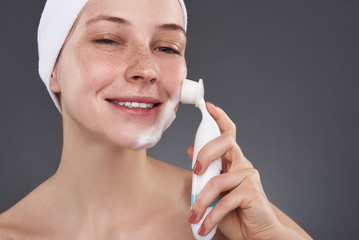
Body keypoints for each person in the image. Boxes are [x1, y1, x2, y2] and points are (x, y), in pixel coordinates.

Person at [0, 0, 312, 239]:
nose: (147, 69)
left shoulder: (240, 221)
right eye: (109, 40)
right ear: (53, 69)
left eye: (167, 47)